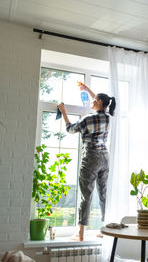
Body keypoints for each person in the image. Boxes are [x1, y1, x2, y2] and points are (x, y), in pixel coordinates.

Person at [57, 84, 116, 241]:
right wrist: (87, 89)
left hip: (91, 158)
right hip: (105, 158)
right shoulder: (108, 118)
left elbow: (70, 129)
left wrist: (64, 112)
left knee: (86, 195)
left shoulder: (88, 119)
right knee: (103, 194)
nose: (93, 100)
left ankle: (81, 234)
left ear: (101, 103)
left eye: (95, 100)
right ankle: (103, 230)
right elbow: (100, 100)